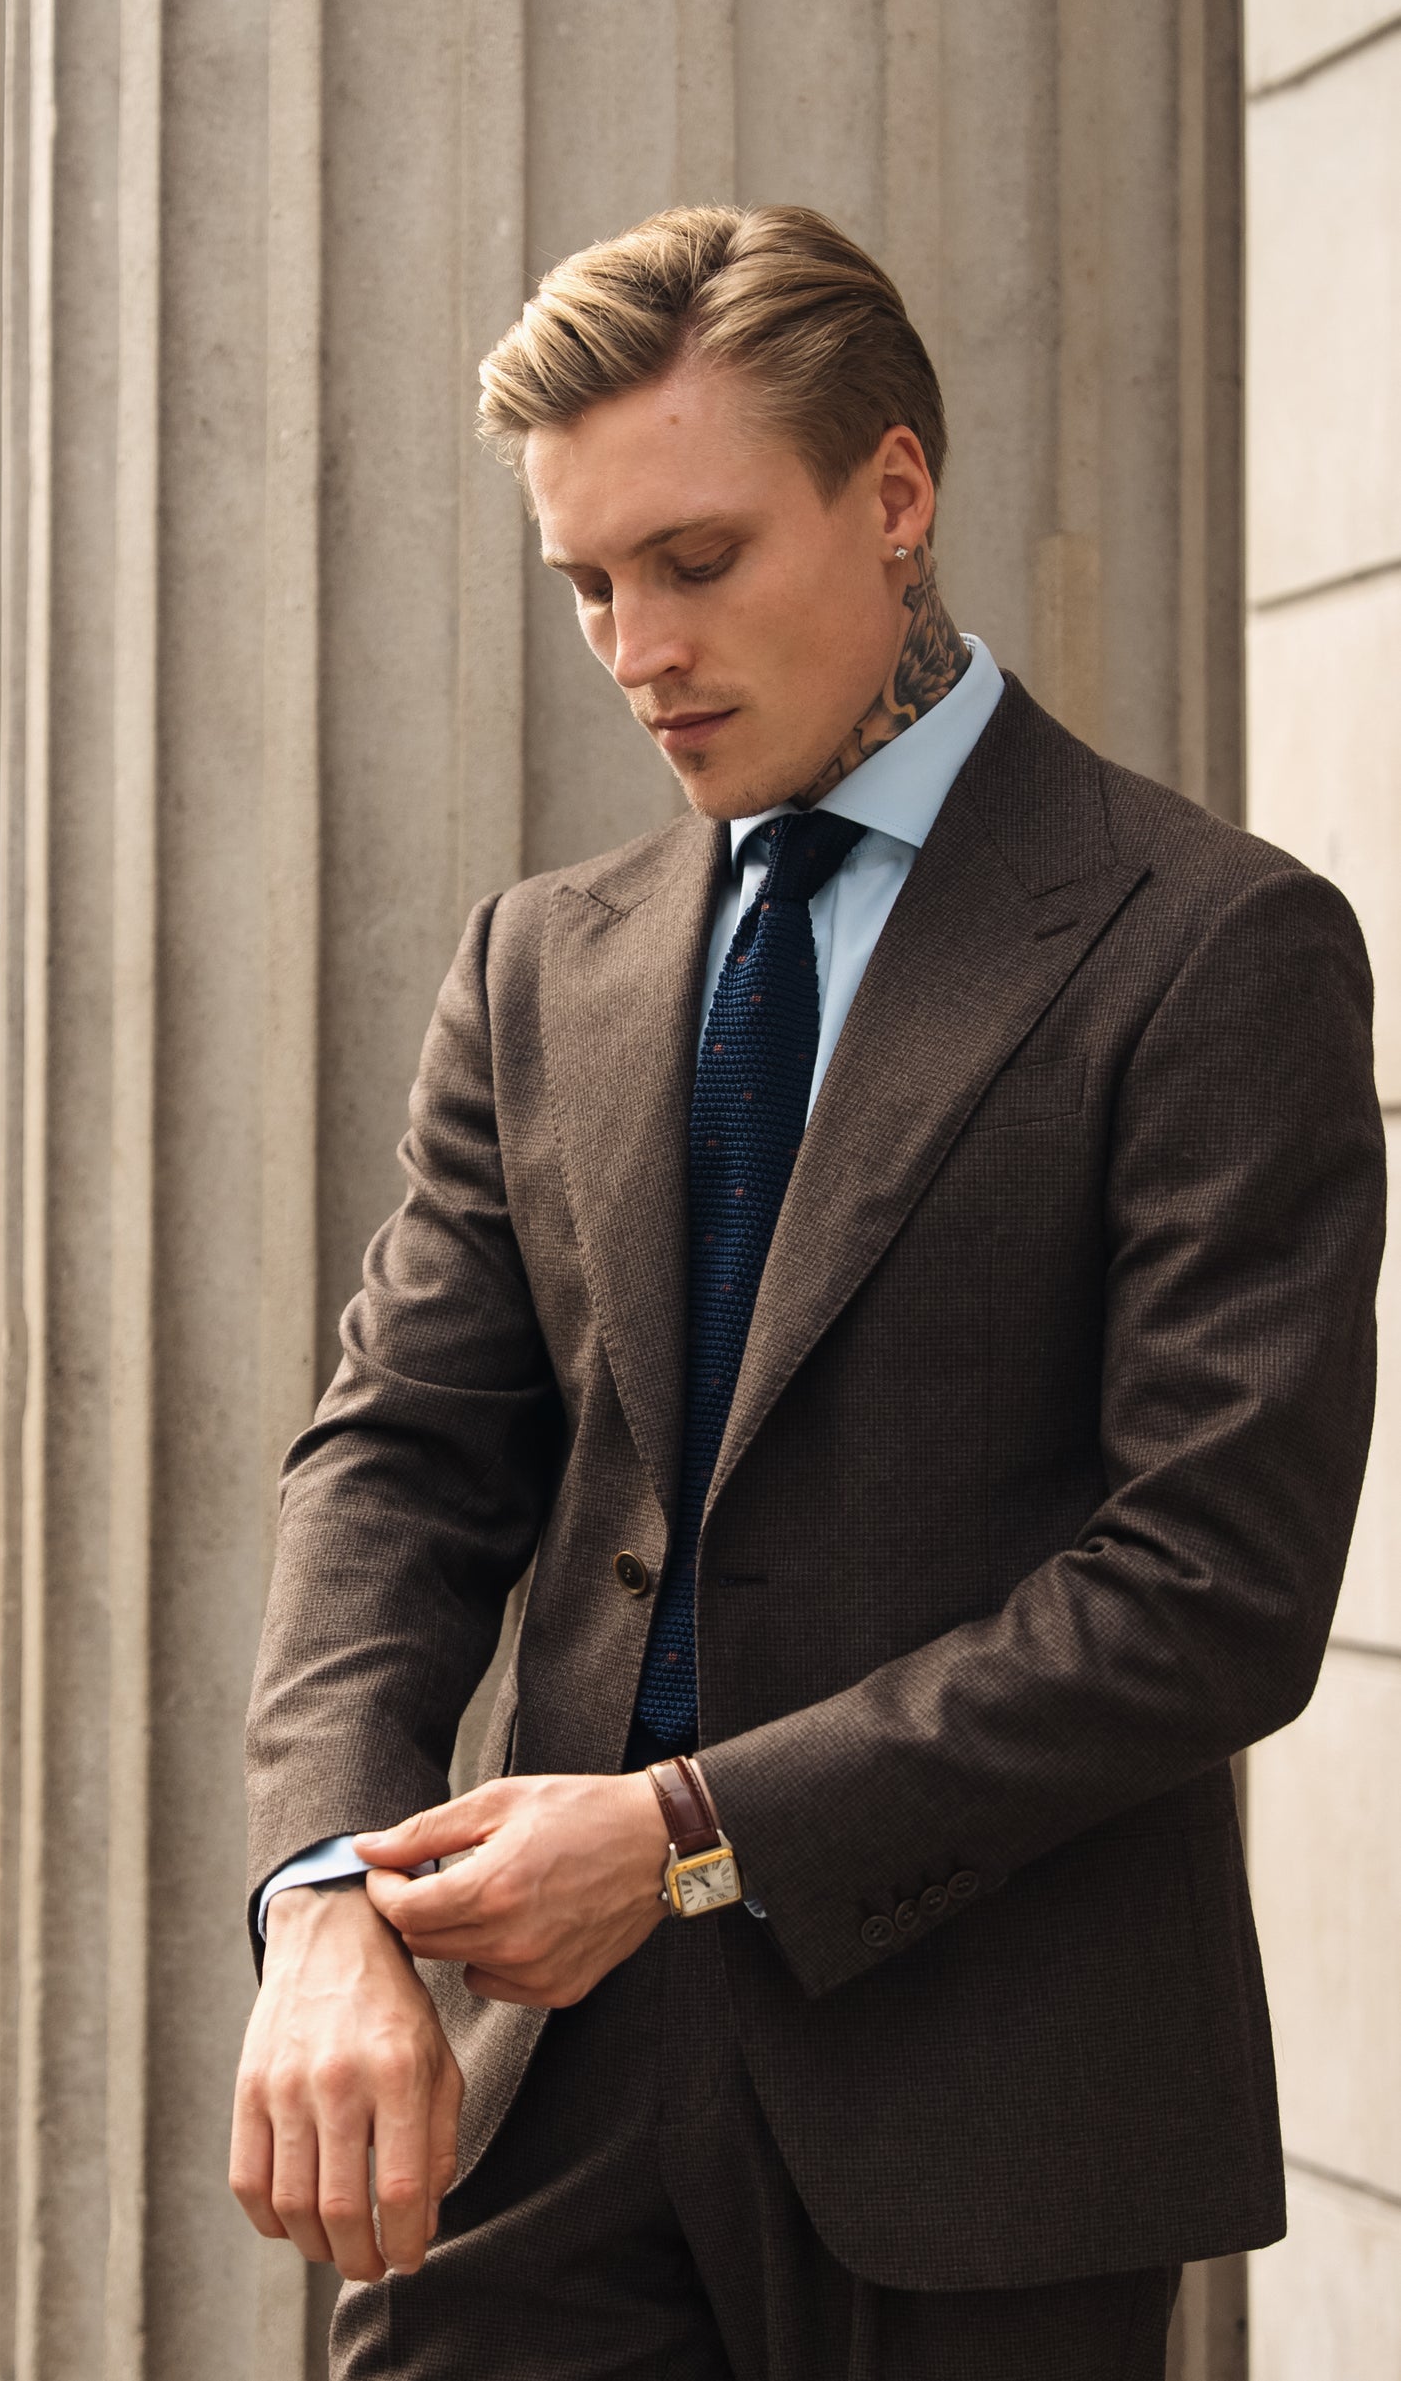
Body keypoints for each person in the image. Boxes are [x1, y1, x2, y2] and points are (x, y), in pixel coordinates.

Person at [229, 205, 1384, 2380]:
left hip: (987, 2104)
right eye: (585, 582)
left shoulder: (1210, 946)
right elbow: (394, 1463)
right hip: (552, 2087)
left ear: (892, 492)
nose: (634, 643)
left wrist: (683, 1835)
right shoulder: (536, 960)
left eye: (693, 557)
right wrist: (318, 1898)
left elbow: (1211, 1580)